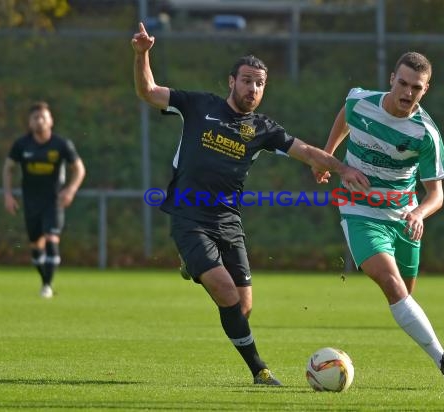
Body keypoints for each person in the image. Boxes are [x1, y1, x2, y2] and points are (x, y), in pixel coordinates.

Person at [131, 22, 369, 386]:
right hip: (188, 214)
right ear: (231, 81)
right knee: (226, 293)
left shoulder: (262, 128)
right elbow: (147, 91)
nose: (252, 88)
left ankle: (192, 267)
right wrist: (142, 54)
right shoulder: (199, 105)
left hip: (228, 220)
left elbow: (304, 150)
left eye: (259, 83)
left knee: (242, 307)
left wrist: (339, 167)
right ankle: (260, 370)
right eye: (246, 80)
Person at [314, 52, 444, 384]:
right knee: (393, 285)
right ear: (391, 80)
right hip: (359, 210)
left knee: (404, 294)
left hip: (403, 218)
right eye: (403, 83)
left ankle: (429, 344)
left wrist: (418, 212)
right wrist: (328, 157)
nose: (407, 93)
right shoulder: (361, 102)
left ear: (426, 89)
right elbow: (345, 116)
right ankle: (443, 359)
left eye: (416, 87)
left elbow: (436, 195)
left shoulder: (425, 133)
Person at [2, 101, 86, 298]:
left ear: (51, 121)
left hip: (53, 201)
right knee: (35, 247)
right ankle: (44, 282)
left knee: (51, 238)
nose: (39, 120)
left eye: (43, 117)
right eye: (35, 118)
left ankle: (47, 286)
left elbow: (79, 169)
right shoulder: (22, 145)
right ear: (30, 122)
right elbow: (8, 167)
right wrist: (8, 194)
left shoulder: (61, 144)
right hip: (31, 202)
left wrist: (70, 190)